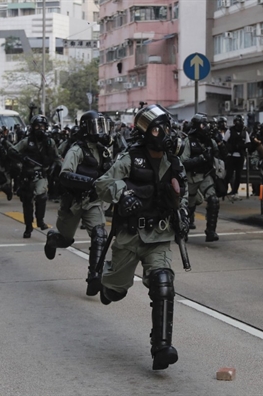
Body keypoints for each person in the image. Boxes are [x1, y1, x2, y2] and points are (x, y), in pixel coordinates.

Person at [94, 104, 189, 371]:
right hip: (130, 236)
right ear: (146, 133)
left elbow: (185, 191)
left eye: (167, 128)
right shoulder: (130, 157)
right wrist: (123, 194)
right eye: (159, 129)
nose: (165, 134)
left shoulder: (174, 162)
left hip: (159, 235)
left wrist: (181, 209)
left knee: (163, 282)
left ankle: (161, 347)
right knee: (115, 291)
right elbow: (103, 184)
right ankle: (109, 285)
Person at [43, 110, 113, 297]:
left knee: (99, 235)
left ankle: (94, 276)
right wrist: (90, 182)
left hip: (93, 202)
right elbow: (65, 175)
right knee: (65, 240)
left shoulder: (103, 150)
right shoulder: (77, 149)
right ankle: (51, 240)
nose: (100, 131)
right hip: (74, 202)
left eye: (102, 126)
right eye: (96, 126)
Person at [10, 115, 59, 238]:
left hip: (41, 175)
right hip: (27, 175)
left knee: (41, 196)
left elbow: (57, 157)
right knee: (27, 202)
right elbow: (12, 151)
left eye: (42, 126)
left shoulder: (50, 142)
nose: (40, 129)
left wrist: (65, 170)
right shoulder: (27, 141)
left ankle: (40, 220)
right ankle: (28, 226)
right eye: (37, 126)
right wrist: (22, 160)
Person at [180, 113, 225, 241]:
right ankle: (184, 230)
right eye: (203, 125)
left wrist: (220, 142)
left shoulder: (210, 141)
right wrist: (201, 158)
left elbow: (223, 155)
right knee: (188, 206)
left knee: (214, 200)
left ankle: (211, 231)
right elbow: (183, 162)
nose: (206, 127)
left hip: (206, 176)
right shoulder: (189, 142)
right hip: (191, 178)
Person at [223, 115, 251, 197]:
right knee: (229, 174)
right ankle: (224, 190)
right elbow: (224, 142)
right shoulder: (230, 131)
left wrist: (240, 147)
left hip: (240, 156)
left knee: (238, 175)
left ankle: (234, 191)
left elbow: (248, 144)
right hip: (231, 156)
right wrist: (231, 147)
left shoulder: (244, 132)